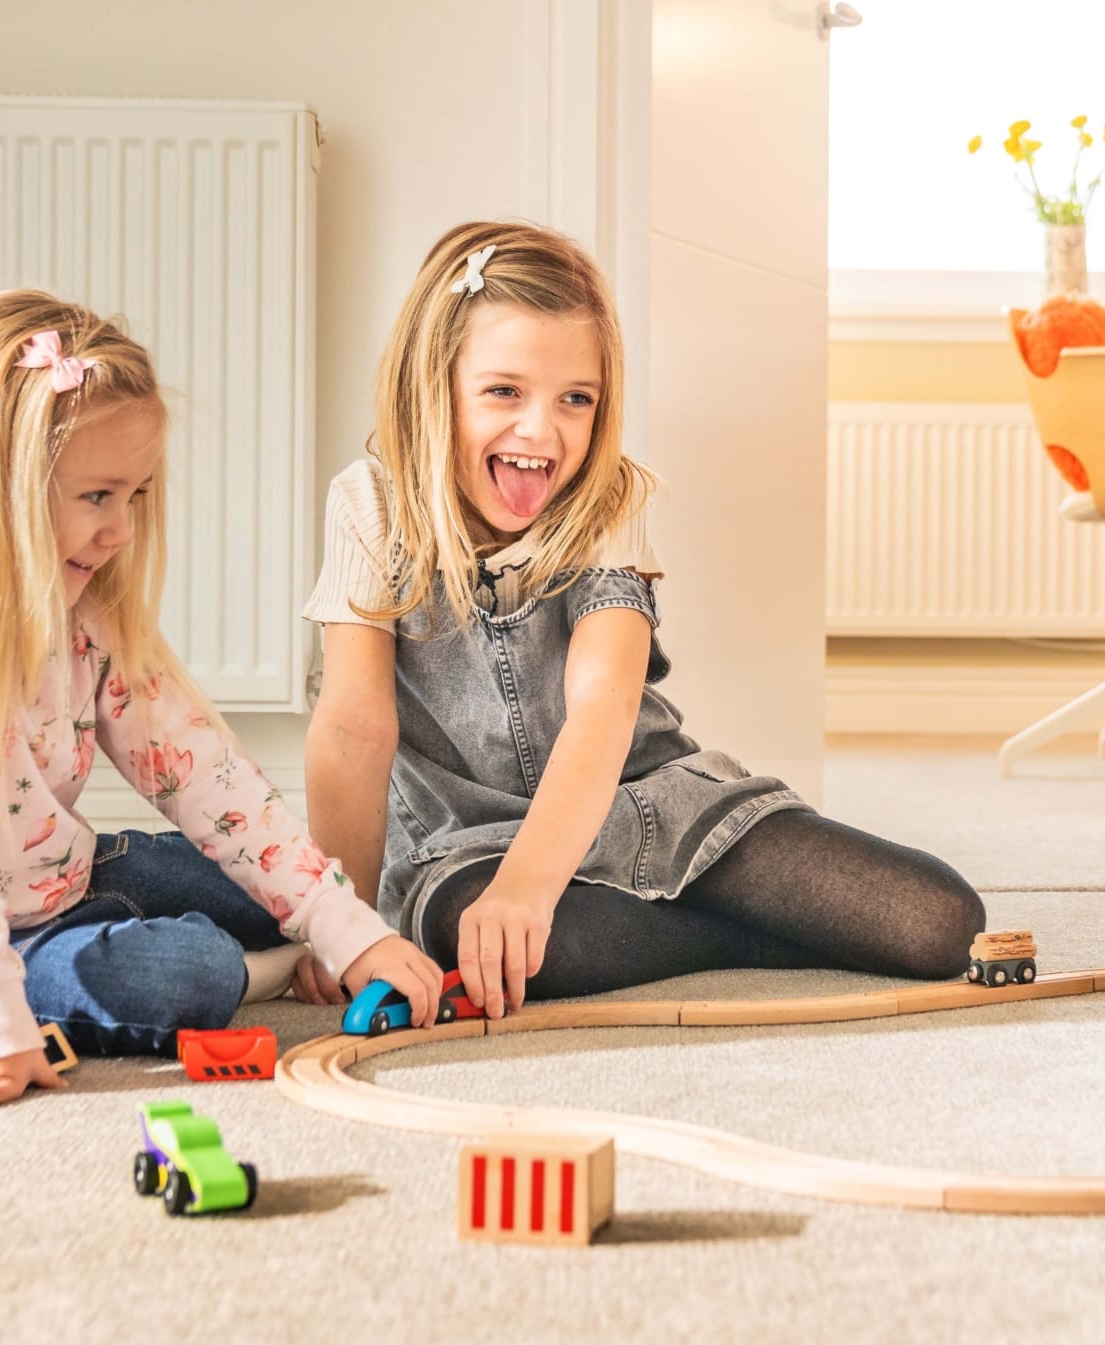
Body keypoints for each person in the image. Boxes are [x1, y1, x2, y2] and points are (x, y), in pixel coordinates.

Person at [0, 292, 440, 1111]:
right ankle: (256, 973)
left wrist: (345, 928)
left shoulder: (83, 609)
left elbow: (209, 779)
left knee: (261, 885)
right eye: (97, 497)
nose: (121, 529)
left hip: (55, 881)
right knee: (190, 972)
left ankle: (267, 946)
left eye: (137, 496)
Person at [300, 224, 983, 1018]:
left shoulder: (607, 500)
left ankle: (720, 930)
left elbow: (606, 703)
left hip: (646, 804)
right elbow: (353, 729)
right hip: (468, 842)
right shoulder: (369, 507)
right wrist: (341, 921)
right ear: (435, 384)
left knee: (940, 923)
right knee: (513, 947)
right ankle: (745, 939)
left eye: (575, 400)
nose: (541, 432)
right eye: (503, 391)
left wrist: (533, 884)